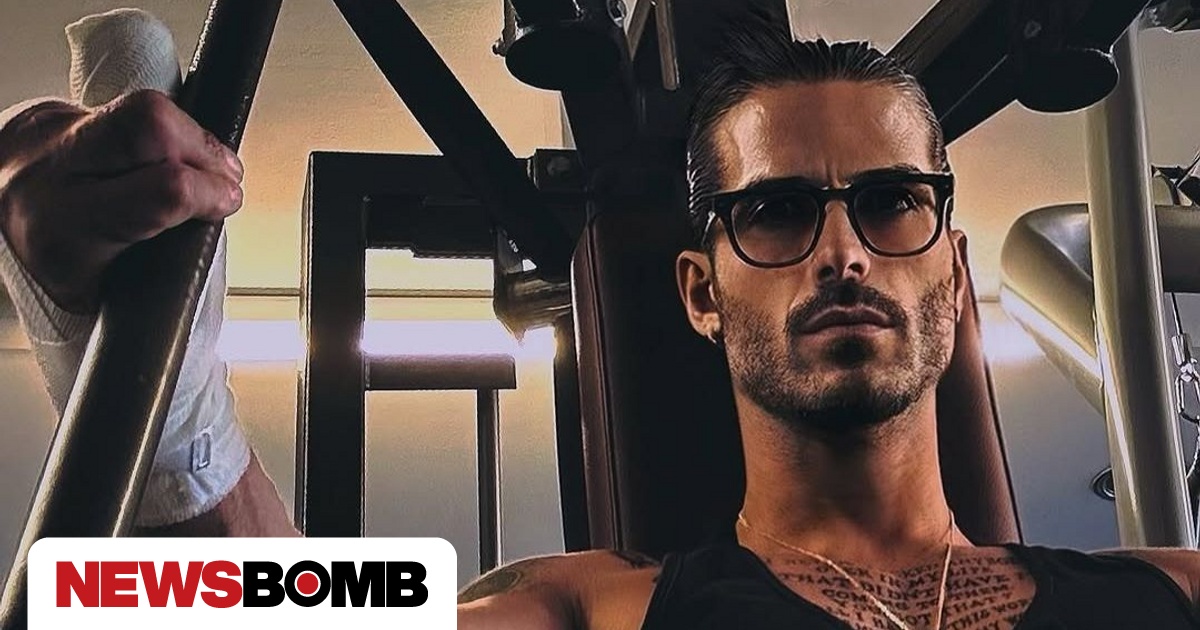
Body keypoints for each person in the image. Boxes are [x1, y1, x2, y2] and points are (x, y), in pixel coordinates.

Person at [1, 15, 1198, 630]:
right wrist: (164, 407)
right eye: (776, 211)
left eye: (890, 201)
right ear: (701, 293)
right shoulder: (598, 610)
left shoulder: (1174, 593)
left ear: (953, 268)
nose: (841, 248)